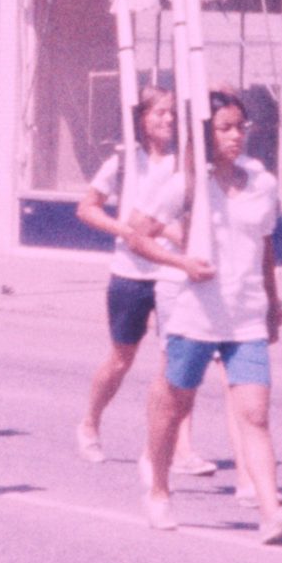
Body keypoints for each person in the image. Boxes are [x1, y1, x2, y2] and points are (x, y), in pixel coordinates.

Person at [126, 90, 282, 543]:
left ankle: (270, 514)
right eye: (225, 128)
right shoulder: (188, 185)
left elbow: (265, 249)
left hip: (245, 318)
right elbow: (138, 236)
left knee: (255, 414)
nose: (235, 136)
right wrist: (182, 263)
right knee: (173, 407)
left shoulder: (263, 184)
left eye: (240, 127)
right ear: (206, 133)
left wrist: (272, 305)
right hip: (196, 317)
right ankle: (159, 489)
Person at [72, 86, 213, 472]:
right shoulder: (124, 162)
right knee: (121, 359)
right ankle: (90, 423)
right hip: (130, 274)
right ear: (141, 119)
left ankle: (181, 448)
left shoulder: (185, 164)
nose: (167, 120)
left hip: (172, 272)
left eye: (171, 114)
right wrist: (130, 233)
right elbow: (87, 209)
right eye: (159, 113)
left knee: (176, 363)